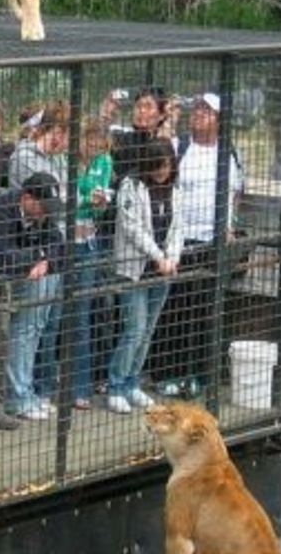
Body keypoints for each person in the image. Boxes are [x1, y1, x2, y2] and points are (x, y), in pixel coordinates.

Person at [150, 92, 244, 395]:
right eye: (198, 109)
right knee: (175, 309)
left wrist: (229, 226)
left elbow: (234, 193)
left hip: (212, 242)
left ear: (219, 118)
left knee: (205, 310)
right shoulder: (180, 147)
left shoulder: (228, 152)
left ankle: (198, 375)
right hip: (180, 241)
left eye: (208, 110)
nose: (200, 113)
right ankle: (168, 374)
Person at [0, 173, 65, 421]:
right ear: (26, 198)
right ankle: (17, 397)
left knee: (34, 328)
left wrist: (46, 261)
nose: (46, 213)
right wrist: (39, 255)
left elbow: (59, 244)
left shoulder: (41, 215)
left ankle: (25, 392)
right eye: (43, 206)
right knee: (19, 332)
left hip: (19, 279)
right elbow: (4, 257)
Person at [34, 119, 114, 409]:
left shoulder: (104, 162)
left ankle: (79, 387)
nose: (94, 149)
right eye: (91, 142)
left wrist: (100, 202)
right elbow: (62, 199)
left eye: (100, 145)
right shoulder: (62, 162)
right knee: (51, 318)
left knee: (81, 317)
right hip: (61, 244)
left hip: (87, 243)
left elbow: (100, 202)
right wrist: (83, 197)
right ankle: (42, 385)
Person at [108, 137, 183, 414]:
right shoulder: (131, 186)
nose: (163, 171)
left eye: (167, 165)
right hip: (134, 271)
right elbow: (132, 228)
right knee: (134, 329)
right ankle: (115, 385)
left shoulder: (175, 189)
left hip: (163, 271)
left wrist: (172, 257)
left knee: (148, 330)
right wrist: (158, 256)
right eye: (158, 165)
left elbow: (178, 227)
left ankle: (132, 382)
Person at [9, 102, 70, 201]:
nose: (69, 144)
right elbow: (45, 201)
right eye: (70, 136)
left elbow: (74, 194)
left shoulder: (58, 157)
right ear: (59, 132)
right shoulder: (24, 159)